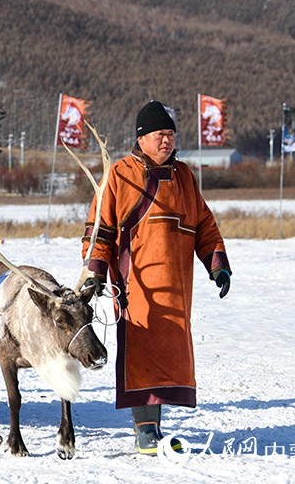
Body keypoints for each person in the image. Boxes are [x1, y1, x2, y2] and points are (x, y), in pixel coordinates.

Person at [80, 100, 232, 455]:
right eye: (160, 135)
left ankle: (156, 427)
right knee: (142, 353)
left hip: (177, 286)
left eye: (171, 135)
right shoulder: (119, 173)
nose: (167, 141)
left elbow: (204, 224)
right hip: (138, 285)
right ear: (142, 138)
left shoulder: (184, 176)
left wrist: (217, 263)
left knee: (168, 355)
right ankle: (145, 430)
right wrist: (97, 271)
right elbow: (100, 228)